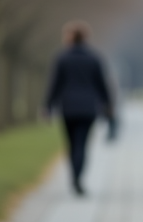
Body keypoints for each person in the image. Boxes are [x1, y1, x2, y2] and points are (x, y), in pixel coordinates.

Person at [45, 20, 113, 196]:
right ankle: (78, 178)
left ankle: (74, 177)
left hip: (68, 108)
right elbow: (102, 84)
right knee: (82, 144)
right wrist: (108, 105)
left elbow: (55, 84)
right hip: (89, 108)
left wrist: (48, 106)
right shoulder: (94, 58)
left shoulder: (62, 58)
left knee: (71, 143)